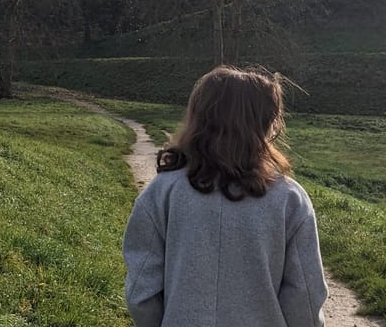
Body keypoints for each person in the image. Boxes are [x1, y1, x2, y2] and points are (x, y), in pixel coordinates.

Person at [123, 65, 328, 327]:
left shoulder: (162, 192)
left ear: (197, 118)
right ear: (267, 123)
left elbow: (141, 290)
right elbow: (306, 299)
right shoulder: (290, 200)